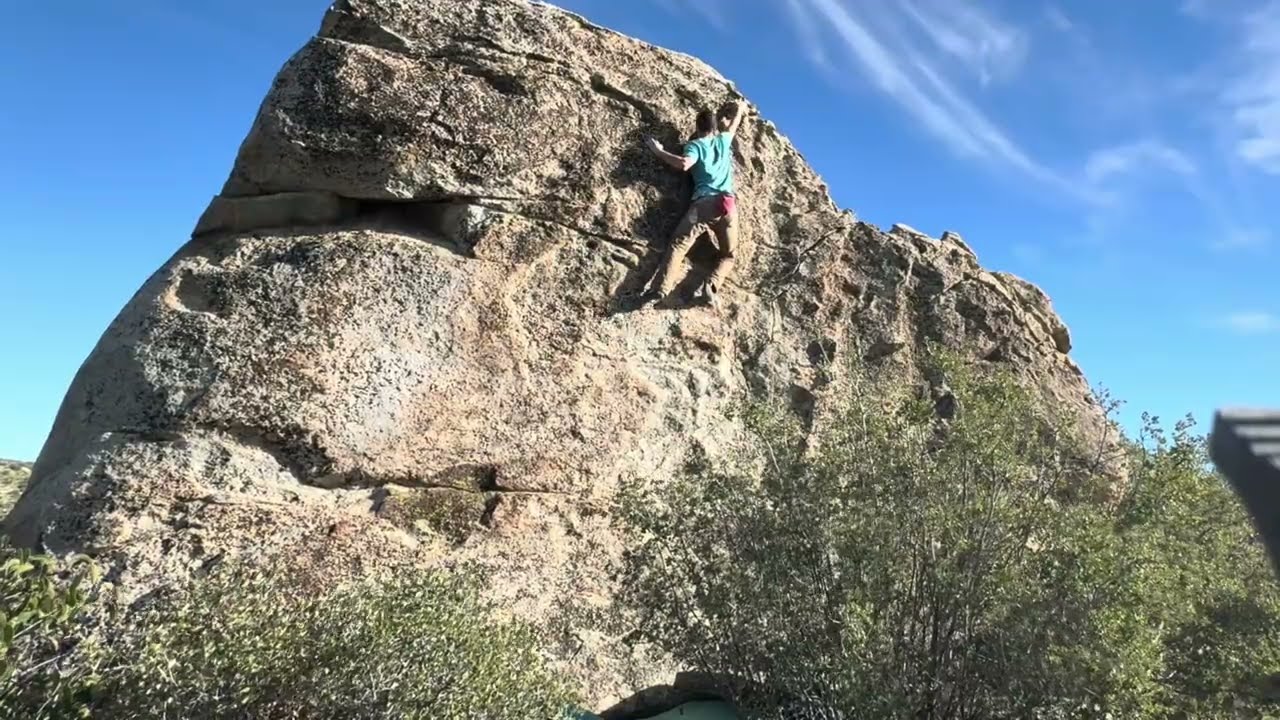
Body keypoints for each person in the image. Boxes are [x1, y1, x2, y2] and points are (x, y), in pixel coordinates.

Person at [643, 99, 748, 308]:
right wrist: (741, 109)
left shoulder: (695, 146)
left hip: (704, 206)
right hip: (728, 207)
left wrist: (658, 150)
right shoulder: (723, 140)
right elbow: (734, 124)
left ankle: (661, 288)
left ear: (697, 128)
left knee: (679, 244)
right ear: (715, 128)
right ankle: (712, 285)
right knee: (729, 255)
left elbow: (684, 164)